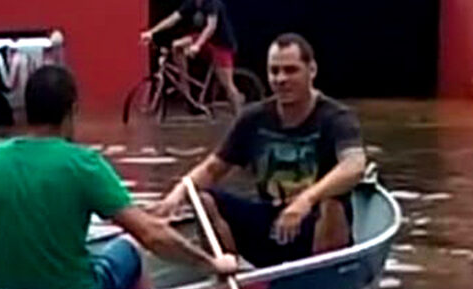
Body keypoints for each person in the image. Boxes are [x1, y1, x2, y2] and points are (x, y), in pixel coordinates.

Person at [0, 65, 237, 289]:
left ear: (26, 111)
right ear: (72, 111)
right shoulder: (84, 165)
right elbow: (151, 235)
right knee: (129, 247)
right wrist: (210, 263)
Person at [151, 33, 367, 268]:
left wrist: (306, 200)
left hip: (314, 225)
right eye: (274, 71)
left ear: (311, 70)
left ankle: (322, 275)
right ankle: (234, 273)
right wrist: (179, 192)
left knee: (333, 202)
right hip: (271, 220)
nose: (281, 79)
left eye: (291, 70)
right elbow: (213, 168)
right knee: (202, 198)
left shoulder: (335, 117)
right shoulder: (254, 117)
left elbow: (354, 166)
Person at [140, 0, 244, 114]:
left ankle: (240, 115)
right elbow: (173, 19)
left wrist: (197, 46)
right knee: (176, 46)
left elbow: (211, 27)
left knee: (227, 85)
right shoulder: (191, 3)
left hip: (221, 44)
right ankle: (185, 88)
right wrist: (151, 32)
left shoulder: (212, 3)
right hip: (203, 39)